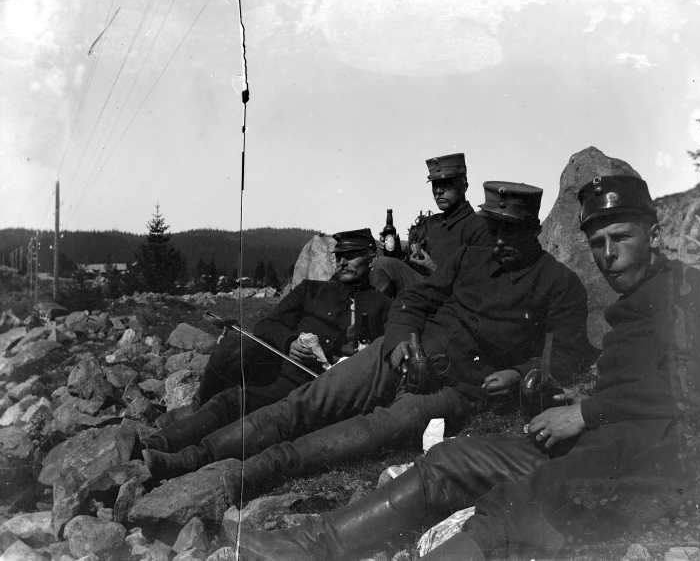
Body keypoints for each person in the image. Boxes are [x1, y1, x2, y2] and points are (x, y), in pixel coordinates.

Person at [236, 162, 700, 561]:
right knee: (448, 458)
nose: (608, 255)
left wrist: (586, 412)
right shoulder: (645, 293)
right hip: (599, 437)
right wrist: (589, 402)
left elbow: (698, 394)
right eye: (598, 243)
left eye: (621, 238)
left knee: (517, 510)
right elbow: (649, 377)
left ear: (656, 235)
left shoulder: (691, 294)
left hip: (641, 464)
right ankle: (310, 544)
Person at [148, 181, 588, 494]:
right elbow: (411, 304)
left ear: (534, 230)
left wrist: (518, 372)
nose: (497, 241)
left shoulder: (561, 284)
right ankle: (189, 459)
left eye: (509, 232)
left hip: (457, 389)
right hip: (395, 357)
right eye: (492, 229)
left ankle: (256, 472)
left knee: (369, 432)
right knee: (304, 405)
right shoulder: (469, 260)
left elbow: (567, 357)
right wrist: (399, 343)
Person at [137, 228, 391, 475]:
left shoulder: (384, 306)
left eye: (352, 255)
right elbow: (268, 325)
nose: (343, 262)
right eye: (339, 256)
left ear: (371, 259)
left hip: (325, 394)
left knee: (251, 415)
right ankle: (153, 445)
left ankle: (176, 458)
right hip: (287, 378)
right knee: (231, 401)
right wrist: (290, 342)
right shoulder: (312, 290)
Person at [369, 153, 490, 297]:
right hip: (428, 289)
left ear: (464, 186)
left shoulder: (478, 225)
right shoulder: (432, 223)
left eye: (446, 184)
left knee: (384, 264)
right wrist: (394, 250)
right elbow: (413, 262)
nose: (438, 191)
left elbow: (478, 281)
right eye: (435, 184)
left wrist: (434, 269)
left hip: (454, 298)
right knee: (382, 262)